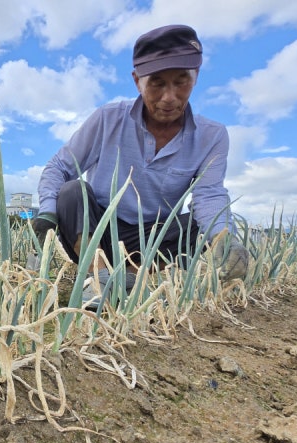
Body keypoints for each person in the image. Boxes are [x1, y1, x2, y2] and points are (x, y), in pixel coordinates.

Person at [32, 24, 249, 307]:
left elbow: (209, 195)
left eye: (181, 81)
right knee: (71, 191)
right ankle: (96, 279)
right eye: (157, 83)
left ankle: (131, 279)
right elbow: (59, 167)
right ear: (138, 81)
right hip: (98, 231)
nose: (169, 97)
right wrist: (47, 213)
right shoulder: (108, 119)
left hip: (153, 239)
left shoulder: (212, 135)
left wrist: (222, 239)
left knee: (200, 226)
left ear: (195, 78)